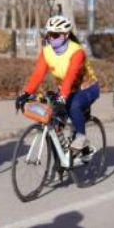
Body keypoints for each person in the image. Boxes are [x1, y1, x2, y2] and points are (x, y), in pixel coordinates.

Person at [16, 15, 99, 151]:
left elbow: (70, 76)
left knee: (74, 105)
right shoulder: (47, 52)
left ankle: (81, 136)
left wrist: (62, 98)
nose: (51, 38)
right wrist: (25, 93)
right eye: (49, 34)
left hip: (86, 88)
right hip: (66, 89)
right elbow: (38, 75)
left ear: (66, 35)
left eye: (55, 35)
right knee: (54, 121)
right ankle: (62, 158)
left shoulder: (77, 51)